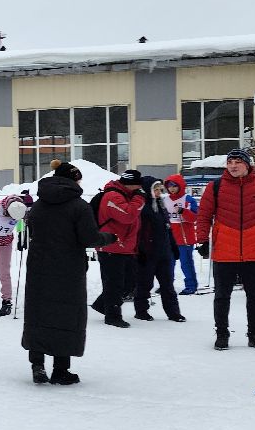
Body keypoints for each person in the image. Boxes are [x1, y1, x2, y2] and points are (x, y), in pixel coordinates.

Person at [22, 161, 118, 384]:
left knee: (38, 313)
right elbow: (89, 238)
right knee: (65, 315)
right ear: (74, 180)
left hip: (39, 267)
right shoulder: (79, 206)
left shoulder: (39, 204)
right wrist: (109, 237)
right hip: (68, 269)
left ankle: (37, 365)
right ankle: (60, 369)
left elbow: (33, 231)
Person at [195, 149, 255, 350]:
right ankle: (222, 333)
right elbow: (204, 215)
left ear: (247, 164)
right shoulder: (215, 186)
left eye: (237, 162)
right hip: (224, 250)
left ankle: (254, 334)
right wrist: (203, 240)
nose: (233, 166)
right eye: (230, 162)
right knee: (222, 296)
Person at [90, 168, 145, 328]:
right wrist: (139, 199)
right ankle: (112, 316)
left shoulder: (126, 195)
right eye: (138, 186)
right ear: (130, 184)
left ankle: (103, 305)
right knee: (115, 284)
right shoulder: (113, 196)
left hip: (124, 247)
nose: (140, 189)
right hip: (111, 247)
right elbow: (128, 215)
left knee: (129, 283)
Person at [133, 177, 185, 322]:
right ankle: (141, 310)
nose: (158, 192)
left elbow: (167, 228)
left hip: (163, 251)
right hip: (148, 252)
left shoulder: (161, 205)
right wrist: (140, 250)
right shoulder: (143, 206)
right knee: (145, 283)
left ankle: (173, 312)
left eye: (160, 189)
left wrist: (173, 246)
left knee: (167, 284)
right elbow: (139, 231)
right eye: (155, 189)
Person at [162, 174, 200, 294]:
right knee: (168, 263)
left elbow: (194, 218)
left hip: (185, 237)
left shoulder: (188, 200)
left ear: (180, 186)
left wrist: (183, 211)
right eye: (169, 186)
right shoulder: (165, 200)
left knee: (186, 263)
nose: (172, 189)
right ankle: (167, 285)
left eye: (174, 186)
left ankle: (191, 285)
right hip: (170, 237)